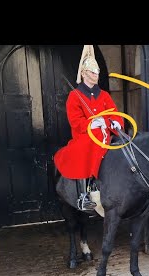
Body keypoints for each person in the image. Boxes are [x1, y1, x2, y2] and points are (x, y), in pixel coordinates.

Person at [54, 46, 124, 211]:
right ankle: (83, 195)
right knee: (84, 148)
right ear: (84, 73)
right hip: (86, 135)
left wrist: (115, 122)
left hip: (106, 133)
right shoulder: (75, 96)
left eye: (97, 72)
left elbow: (113, 112)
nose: (96, 75)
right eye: (93, 72)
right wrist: (91, 124)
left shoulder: (105, 95)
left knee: (124, 146)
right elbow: (75, 120)